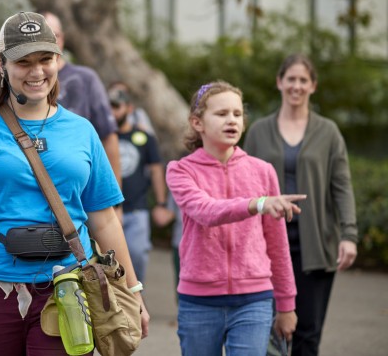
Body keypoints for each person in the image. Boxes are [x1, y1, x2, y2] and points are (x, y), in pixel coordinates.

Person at [0, 11, 149, 355]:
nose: (37, 72)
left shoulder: (82, 130)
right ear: (2, 65)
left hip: (66, 286)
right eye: (24, 62)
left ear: (59, 60)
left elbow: (105, 217)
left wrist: (132, 291)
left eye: (45, 59)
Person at [166, 80, 303, 355]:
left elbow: (278, 244)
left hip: (254, 300)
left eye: (237, 114)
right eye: (222, 114)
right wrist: (257, 203)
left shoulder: (263, 171)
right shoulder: (180, 170)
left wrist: (287, 305)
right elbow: (206, 211)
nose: (232, 120)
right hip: (198, 302)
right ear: (197, 122)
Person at [243, 54, 358, 356]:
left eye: (303, 80)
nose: (296, 86)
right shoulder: (258, 131)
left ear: (313, 86)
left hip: (315, 248)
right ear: (279, 82)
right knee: (265, 333)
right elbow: (243, 184)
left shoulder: (328, 132)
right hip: (265, 247)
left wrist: (348, 235)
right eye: (290, 79)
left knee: (307, 333)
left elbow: (342, 185)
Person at [40, 12, 122, 191]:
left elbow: (109, 137)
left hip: (82, 189)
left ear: (62, 38)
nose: (51, 42)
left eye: (56, 35)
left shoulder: (85, 78)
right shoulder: (22, 81)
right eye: (44, 36)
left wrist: (115, 198)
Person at [108, 86, 173, 283]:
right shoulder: (101, 136)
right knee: (108, 260)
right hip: (109, 210)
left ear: (129, 108)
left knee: (137, 254)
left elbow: (156, 169)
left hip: (137, 208)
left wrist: (161, 204)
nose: (112, 111)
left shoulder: (144, 137)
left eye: (116, 106)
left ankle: (137, 299)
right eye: (108, 107)